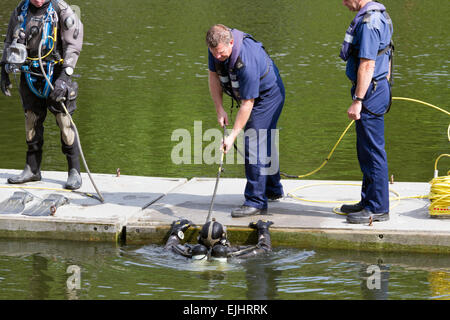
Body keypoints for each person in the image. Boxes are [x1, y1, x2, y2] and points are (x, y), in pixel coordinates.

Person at [1, 0, 83, 190]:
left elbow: (74, 45)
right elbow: (9, 41)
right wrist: (4, 69)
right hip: (30, 74)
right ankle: (32, 169)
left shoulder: (61, 10)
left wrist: (65, 75)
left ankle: (74, 171)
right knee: (31, 119)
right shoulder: (20, 10)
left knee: (64, 122)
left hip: (56, 74)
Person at [206, 24, 285, 218]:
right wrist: (219, 109)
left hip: (268, 96)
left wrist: (232, 136)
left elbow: (248, 104)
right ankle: (273, 188)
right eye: (214, 53)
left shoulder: (246, 61)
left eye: (221, 53)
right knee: (262, 140)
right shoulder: (216, 46)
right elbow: (213, 76)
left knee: (253, 140)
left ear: (231, 43)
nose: (217, 57)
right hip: (250, 98)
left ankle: (256, 201)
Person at [338, 0, 394, 224]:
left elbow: (368, 63)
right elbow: (386, 55)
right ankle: (368, 200)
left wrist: (358, 100)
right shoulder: (379, 14)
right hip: (377, 89)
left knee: (372, 151)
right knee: (365, 149)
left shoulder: (369, 22)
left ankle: (378, 208)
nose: (343, 3)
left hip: (370, 93)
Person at [164, 218, 273, 261]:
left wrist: (177, 231)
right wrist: (263, 229)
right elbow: (265, 248)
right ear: (223, 237)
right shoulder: (233, 253)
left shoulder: (189, 252)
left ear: (199, 237)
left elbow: (169, 247)